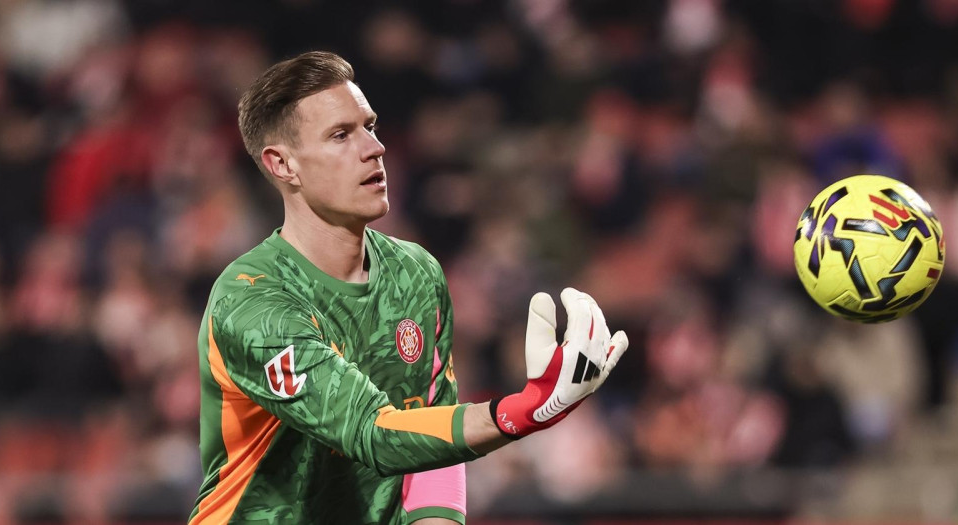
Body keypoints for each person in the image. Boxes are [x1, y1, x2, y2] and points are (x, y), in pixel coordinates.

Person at [189, 51, 630, 524]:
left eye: (370, 127)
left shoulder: (415, 273)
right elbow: (375, 434)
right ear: (283, 165)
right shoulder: (254, 300)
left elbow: (431, 439)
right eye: (341, 135)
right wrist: (521, 411)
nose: (374, 148)